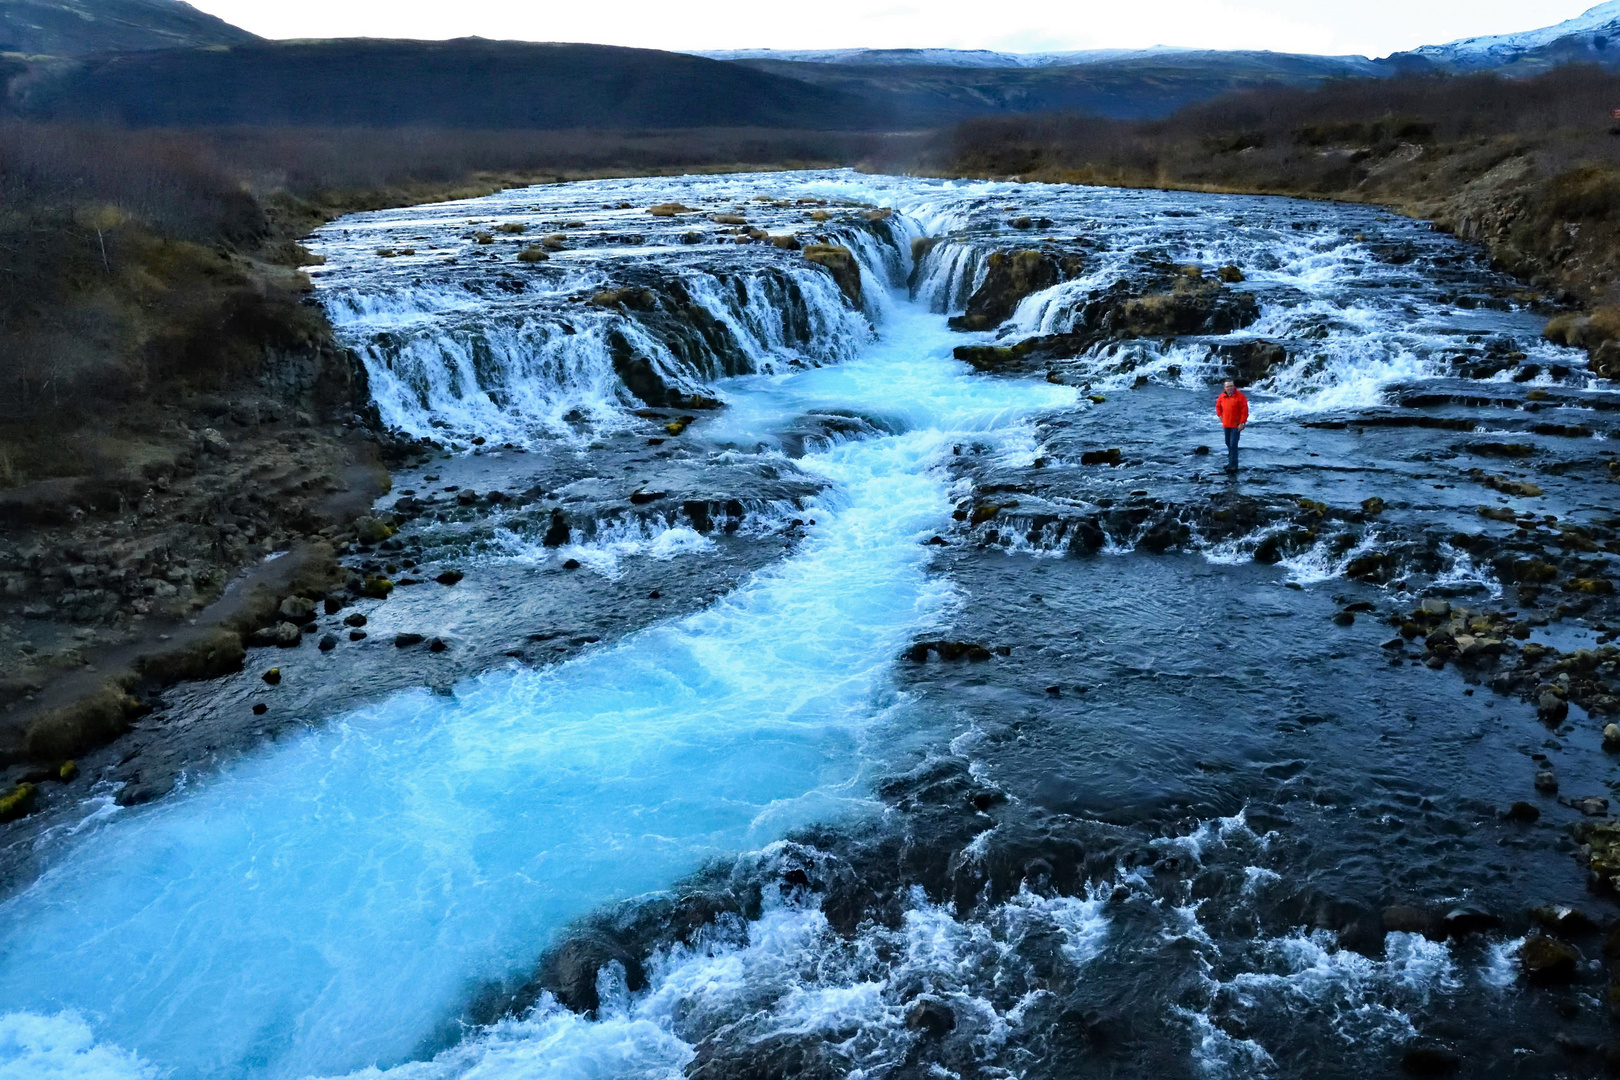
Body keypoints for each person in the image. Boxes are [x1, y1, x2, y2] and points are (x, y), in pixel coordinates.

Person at [1215, 379, 1249, 474]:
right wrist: (1220, 415)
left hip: (1236, 425)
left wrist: (1242, 423)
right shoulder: (1222, 396)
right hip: (1226, 424)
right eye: (1227, 386)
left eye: (1231, 386)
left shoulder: (1240, 397)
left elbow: (1244, 411)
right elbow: (1218, 406)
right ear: (1224, 388)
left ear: (1234, 386)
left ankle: (1234, 465)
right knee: (1228, 443)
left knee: (1233, 445)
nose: (1229, 388)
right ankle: (1231, 462)